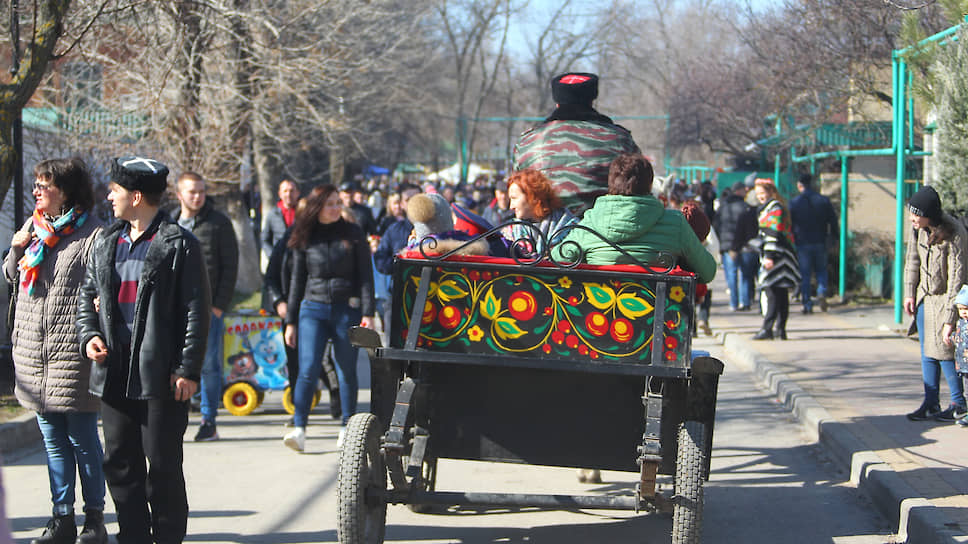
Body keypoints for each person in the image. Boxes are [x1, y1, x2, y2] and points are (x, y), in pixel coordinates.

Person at [77, 156, 211, 544]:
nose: (109, 196)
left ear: (136, 196)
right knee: (120, 463)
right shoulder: (105, 241)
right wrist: (90, 336)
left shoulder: (177, 243)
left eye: (115, 190)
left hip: (160, 375)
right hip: (114, 371)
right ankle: (133, 536)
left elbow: (195, 310)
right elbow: (87, 297)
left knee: (164, 466)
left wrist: (187, 368)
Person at [3, 158, 107, 544]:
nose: (36, 191)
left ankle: (93, 519)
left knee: (82, 438)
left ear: (65, 191)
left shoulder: (94, 235)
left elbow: (101, 289)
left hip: (72, 354)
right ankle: (60, 516)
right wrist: (14, 252)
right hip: (32, 353)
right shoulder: (33, 229)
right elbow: (12, 277)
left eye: (44, 185)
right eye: (36, 184)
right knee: (52, 440)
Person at [282, 185, 375, 453]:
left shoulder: (354, 234)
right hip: (312, 309)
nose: (336, 208)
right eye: (330, 204)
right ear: (317, 207)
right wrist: (291, 320)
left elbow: (366, 276)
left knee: (346, 368)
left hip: (346, 308)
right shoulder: (304, 235)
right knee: (308, 367)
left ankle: (347, 427)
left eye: (338, 203)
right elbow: (296, 280)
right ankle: (299, 428)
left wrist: (368, 313)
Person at [555, 154, 716, 283]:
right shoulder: (675, 222)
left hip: (598, 318)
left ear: (611, 183)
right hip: (658, 318)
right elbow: (707, 273)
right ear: (649, 184)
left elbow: (558, 258)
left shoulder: (590, 222)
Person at [171, 172, 239, 442]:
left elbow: (230, 266)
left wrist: (219, 306)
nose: (197, 196)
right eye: (191, 192)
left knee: (209, 365)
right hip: (175, 307)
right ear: (179, 194)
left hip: (208, 309)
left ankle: (209, 420)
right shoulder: (170, 222)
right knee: (176, 363)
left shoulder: (218, 223)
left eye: (201, 191)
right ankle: (178, 417)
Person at [513, 72, 640, 216]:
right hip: (604, 232)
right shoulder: (620, 139)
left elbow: (517, 192)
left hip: (543, 234)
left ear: (557, 102)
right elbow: (636, 188)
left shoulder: (527, 142)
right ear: (592, 99)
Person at [903, 185, 968, 422]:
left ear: (929, 214)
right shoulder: (917, 230)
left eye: (916, 213)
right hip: (924, 298)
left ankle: (958, 404)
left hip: (945, 300)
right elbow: (912, 261)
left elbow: (957, 279)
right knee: (927, 353)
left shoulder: (955, 233)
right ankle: (930, 402)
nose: (911, 218)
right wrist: (909, 293)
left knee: (945, 351)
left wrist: (951, 318)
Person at [751, 179, 800, 341]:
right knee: (780, 293)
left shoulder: (775, 209)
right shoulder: (773, 207)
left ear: (771, 192)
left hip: (776, 257)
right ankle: (780, 329)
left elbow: (773, 234)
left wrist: (769, 257)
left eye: (762, 193)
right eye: (758, 194)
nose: (760, 197)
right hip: (782, 256)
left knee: (771, 291)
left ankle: (768, 328)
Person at [789, 173, 838, 313]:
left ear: (799, 186)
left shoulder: (794, 203)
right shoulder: (823, 201)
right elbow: (833, 221)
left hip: (802, 242)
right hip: (820, 241)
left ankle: (807, 303)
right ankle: (821, 292)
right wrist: (834, 237)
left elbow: (790, 224)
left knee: (805, 274)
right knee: (821, 270)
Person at [502, 169, 577, 259]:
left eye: (514, 198)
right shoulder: (510, 232)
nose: (511, 206)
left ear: (533, 196)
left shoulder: (572, 228)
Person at [714, 182, 756, 311]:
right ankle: (745, 301)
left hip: (727, 246)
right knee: (745, 274)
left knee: (731, 275)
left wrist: (721, 243)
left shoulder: (723, 207)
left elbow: (716, 225)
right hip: (744, 246)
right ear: (739, 191)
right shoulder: (746, 207)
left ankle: (733, 302)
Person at [260, 179, 300, 266]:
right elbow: (264, 239)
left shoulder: (303, 213)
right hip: (279, 262)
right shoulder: (273, 214)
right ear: (280, 194)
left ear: (298, 193)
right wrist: (272, 255)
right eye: (285, 191)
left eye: (292, 191)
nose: (288, 194)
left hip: (299, 260)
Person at [949, 285, 968, 426]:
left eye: (966, 309)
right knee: (967, 391)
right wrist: (953, 337)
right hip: (964, 364)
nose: (963, 312)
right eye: (961, 309)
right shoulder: (961, 322)